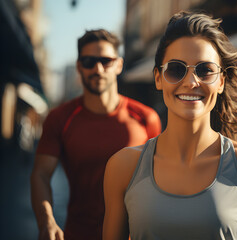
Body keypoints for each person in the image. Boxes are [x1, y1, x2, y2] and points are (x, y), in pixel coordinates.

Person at [103, 11, 237, 240]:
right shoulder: (122, 168)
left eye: (205, 70)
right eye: (176, 69)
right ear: (158, 78)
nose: (191, 82)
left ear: (221, 82)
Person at [30, 29, 162, 240]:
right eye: (89, 61)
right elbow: (41, 174)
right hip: (78, 234)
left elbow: (160, 179)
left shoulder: (146, 118)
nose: (98, 69)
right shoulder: (59, 118)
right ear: (79, 66)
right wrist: (46, 221)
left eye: (106, 61)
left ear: (119, 64)